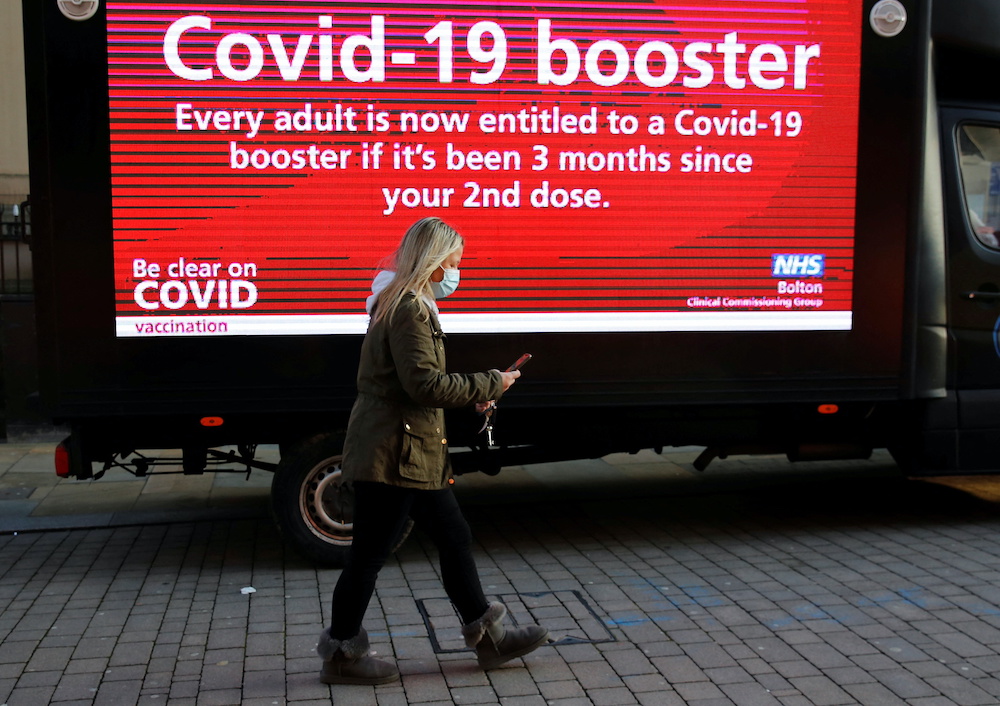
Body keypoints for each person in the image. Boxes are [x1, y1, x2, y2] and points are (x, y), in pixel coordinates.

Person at [316, 216, 549, 685]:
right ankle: (342, 655)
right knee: (370, 555)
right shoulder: (407, 308)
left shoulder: (405, 303)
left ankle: (490, 637)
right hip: (393, 452)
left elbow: (417, 385)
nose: (456, 274)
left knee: (452, 535)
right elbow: (423, 384)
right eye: (453, 264)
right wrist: (491, 382)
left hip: (409, 449)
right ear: (434, 263)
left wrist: (472, 394)